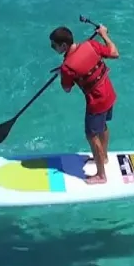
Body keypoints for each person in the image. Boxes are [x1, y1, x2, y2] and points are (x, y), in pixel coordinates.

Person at [51, 24, 120, 184]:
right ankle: (104, 157)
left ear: (63, 45)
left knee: (91, 135)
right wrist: (103, 34)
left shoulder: (67, 67)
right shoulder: (90, 45)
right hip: (109, 93)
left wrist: (63, 73)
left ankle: (101, 176)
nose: (52, 48)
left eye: (54, 45)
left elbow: (66, 89)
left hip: (96, 101)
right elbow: (115, 53)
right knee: (102, 127)